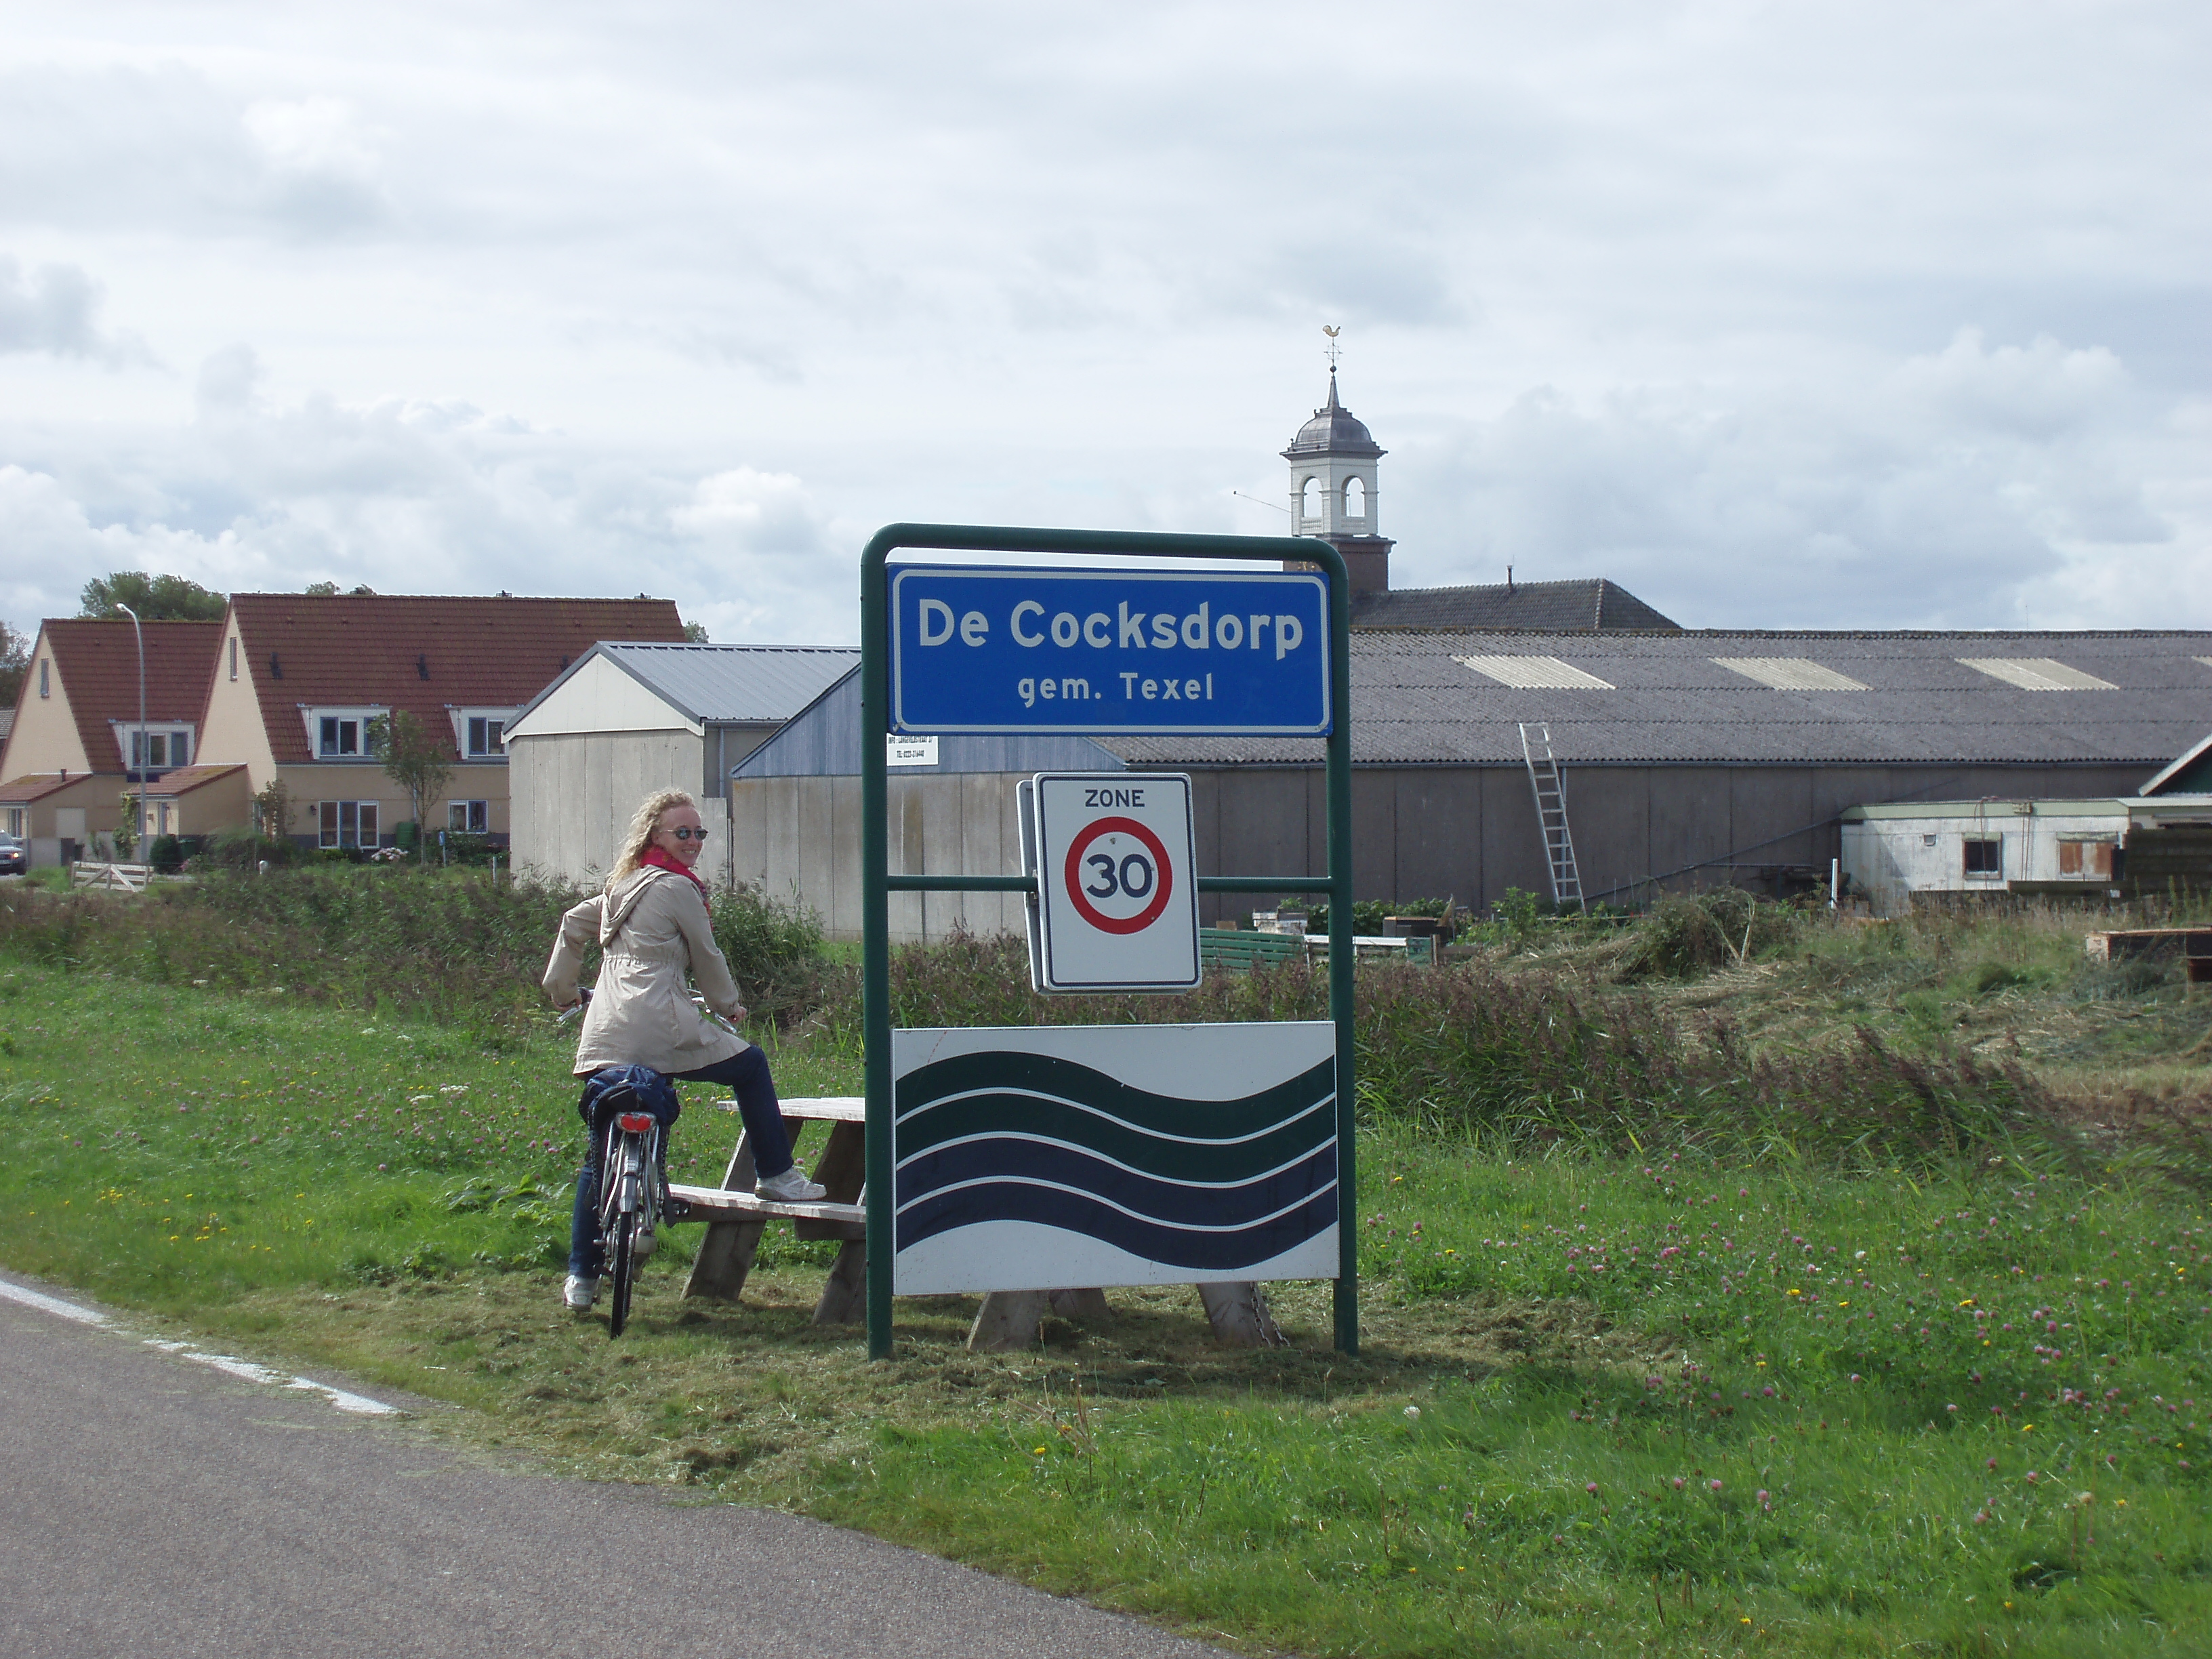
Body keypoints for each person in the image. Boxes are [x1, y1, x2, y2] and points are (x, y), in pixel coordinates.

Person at [544, 788, 823, 1311]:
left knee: (598, 1151)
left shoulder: (622, 887)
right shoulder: (677, 888)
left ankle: (581, 1278)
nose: (694, 841)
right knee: (751, 1066)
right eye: (683, 833)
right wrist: (728, 1006)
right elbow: (706, 955)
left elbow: (572, 924)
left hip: (604, 1032)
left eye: (700, 833)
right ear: (657, 835)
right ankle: (777, 1176)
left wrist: (564, 993)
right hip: (662, 1025)